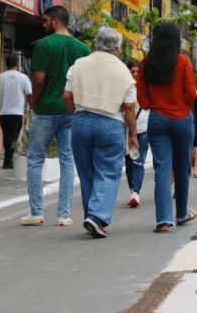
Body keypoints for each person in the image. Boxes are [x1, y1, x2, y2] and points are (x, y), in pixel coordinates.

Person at [63, 27, 136, 238]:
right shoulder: (123, 70)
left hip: (82, 120)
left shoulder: (79, 65)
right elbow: (129, 107)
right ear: (117, 48)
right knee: (108, 172)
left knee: (87, 172)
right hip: (111, 123)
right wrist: (132, 135)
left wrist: (77, 113)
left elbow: (66, 96)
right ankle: (96, 217)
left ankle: (92, 217)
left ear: (96, 43)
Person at [22, 6, 90, 226]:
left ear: (56, 21)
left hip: (46, 111)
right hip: (71, 111)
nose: (43, 24)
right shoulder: (83, 49)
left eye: (46, 20)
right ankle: (63, 214)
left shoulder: (44, 45)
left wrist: (35, 102)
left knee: (34, 160)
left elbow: (39, 80)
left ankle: (36, 212)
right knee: (67, 161)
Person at [137, 22, 197, 233]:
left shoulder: (147, 63)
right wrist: (184, 105)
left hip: (157, 119)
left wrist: (151, 104)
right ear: (176, 40)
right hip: (182, 119)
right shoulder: (184, 62)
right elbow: (192, 93)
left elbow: (141, 94)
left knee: (162, 169)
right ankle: (181, 213)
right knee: (182, 168)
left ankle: (163, 220)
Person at [0, 54, 31, 170]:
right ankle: (9, 160)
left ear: (6, 64)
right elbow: (29, 94)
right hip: (17, 112)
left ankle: (7, 160)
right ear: (17, 64)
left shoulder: (0, 77)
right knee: (14, 137)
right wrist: (33, 107)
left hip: (3, 112)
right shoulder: (23, 78)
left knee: (6, 136)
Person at [124, 60, 150, 207]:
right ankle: (132, 190)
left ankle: (136, 192)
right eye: (132, 71)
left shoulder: (146, 88)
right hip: (128, 130)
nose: (135, 74)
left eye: (137, 71)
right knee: (129, 163)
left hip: (144, 129)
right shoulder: (124, 88)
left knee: (138, 162)